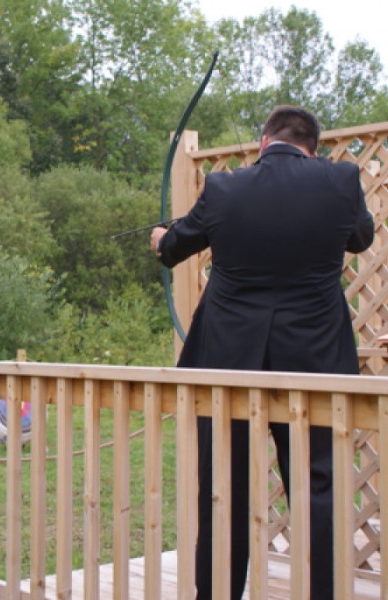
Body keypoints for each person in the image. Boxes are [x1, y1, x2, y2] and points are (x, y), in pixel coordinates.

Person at [149, 105, 374, 600]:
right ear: (312, 145)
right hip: (315, 365)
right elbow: (361, 237)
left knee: (222, 488)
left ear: (264, 141)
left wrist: (160, 238)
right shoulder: (341, 179)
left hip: (229, 364)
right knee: (319, 486)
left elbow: (176, 247)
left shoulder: (226, 187)